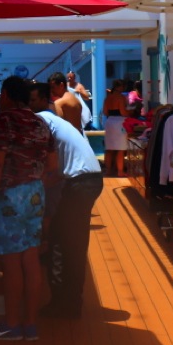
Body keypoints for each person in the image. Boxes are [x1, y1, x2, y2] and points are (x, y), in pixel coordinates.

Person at [0, 76, 56, 341]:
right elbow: (53, 165)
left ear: (6, 95)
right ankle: (30, 325)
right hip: (35, 193)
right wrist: (34, 183)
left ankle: (11, 325)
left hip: (9, 196)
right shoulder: (40, 122)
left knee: (11, 263)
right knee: (31, 259)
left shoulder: (3, 121)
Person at [29, 82, 104, 319]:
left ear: (43, 100)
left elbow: (44, 162)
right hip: (88, 179)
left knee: (63, 243)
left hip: (80, 183)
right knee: (70, 243)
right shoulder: (55, 120)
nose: (30, 105)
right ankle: (70, 302)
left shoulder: (41, 120)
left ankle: (66, 304)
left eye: (32, 100)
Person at [102, 79, 133, 177]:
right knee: (120, 148)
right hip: (119, 123)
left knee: (109, 148)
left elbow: (105, 112)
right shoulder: (121, 98)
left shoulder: (107, 98)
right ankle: (120, 171)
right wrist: (131, 112)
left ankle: (108, 171)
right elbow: (123, 112)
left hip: (109, 122)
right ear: (121, 87)